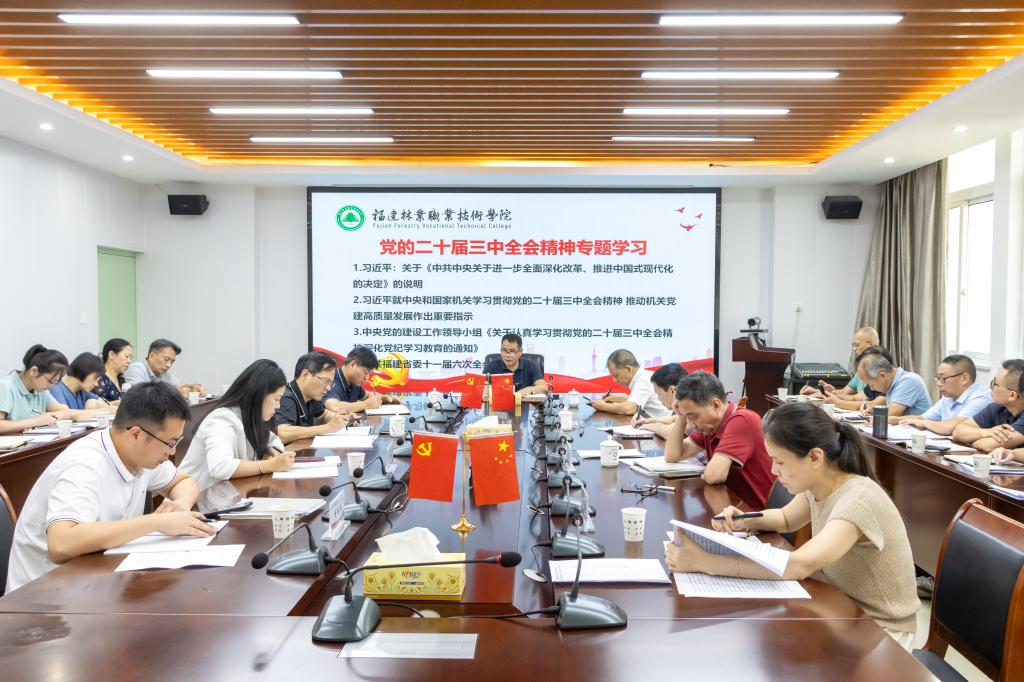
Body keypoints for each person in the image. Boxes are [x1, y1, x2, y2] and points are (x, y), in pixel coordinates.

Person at [664, 402, 919, 650]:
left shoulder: (857, 501)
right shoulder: (820, 485)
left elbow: (799, 565)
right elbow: (786, 518)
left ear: (815, 457)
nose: (774, 471)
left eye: (780, 462)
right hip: (841, 608)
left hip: (881, 631)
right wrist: (744, 518)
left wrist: (705, 563)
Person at [5, 382, 213, 592]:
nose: (171, 452)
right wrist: (156, 522)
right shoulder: (85, 465)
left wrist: (181, 504)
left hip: (97, 580)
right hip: (45, 595)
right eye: (170, 443)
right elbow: (61, 544)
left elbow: (184, 481)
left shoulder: (140, 454)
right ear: (136, 434)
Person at [663, 372, 775, 508]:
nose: (691, 425)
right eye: (687, 417)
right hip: (734, 507)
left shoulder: (742, 420)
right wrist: (681, 417)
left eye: (692, 416)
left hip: (758, 513)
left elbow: (713, 476)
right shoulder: (710, 426)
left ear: (715, 405)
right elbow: (673, 455)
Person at [179, 360, 296, 490]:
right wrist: (269, 465)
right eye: (276, 399)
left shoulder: (251, 417)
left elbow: (273, 439)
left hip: (226, 494)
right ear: (259, 394)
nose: (278, 406)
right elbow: (220, 467)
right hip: (194, 497)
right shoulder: (221, 419)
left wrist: (271, 451)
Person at [896, 354, 991, 434]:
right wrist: (891, 420)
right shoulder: (949, 397)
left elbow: (952, 427)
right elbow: (921, 418)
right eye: (938, 378)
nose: (938, 383)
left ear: (964, 379)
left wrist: (924, 423)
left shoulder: (981, 399)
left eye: (943, 378)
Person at [275, 351, 354, 445]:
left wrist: (341, 419)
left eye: (331, 383)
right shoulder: (285, 397)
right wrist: (328, 428)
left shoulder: (311, 396)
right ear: (305, 375)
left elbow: (323, 415)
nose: (328, 388)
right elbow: (283, 433)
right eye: (326, 381)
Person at [951, 359, 1024, 452]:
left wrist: (973, 440)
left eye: (994, 384)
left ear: (1012, 395)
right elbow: (958, 432)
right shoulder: (997, 407)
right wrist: (985, 432)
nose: (990, 387)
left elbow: (988, 446)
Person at [0, 345, 73, 435]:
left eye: (56, 382)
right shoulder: (5, 386)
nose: (52, 387)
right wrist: (36, 421)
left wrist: (51, 417)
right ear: (34, 371)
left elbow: (65, 412)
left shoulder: (40, 390)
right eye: (51, 381)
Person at [801, 326, 880, 399]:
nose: (854, 349)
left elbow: (857, 399)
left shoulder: (879, 368)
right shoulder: (861, 369)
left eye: (857, 345)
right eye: (853, 345)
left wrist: (826, 395)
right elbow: (845, 392)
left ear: (870, 344)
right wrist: (821, 391)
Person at [591, 349, 671, 418]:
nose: (614, 380)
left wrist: (602, 406)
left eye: (616, 375)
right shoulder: (644, 375)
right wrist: (614, 398)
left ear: (628, 369)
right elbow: (638, 399)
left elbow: (630, 409)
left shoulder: (643, 380)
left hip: (664, 425)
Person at [323, 346, 401, 414]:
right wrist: (366, 405)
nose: (366, 378)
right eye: (366, 372)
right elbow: (334, 406)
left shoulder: (353, 382)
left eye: (370, 374)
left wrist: (384, 398)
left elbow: (367, 395)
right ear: (353, 365)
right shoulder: (332, 379)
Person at [857, 350, 932, 417]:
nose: (872, 389)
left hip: (919, 428)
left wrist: (874, 410)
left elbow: (892, 413)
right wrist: (871, 409)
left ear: (882, 375)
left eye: (871, 384)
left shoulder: (909, 380)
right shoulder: (891, 384)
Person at [123, 339, 205, 398]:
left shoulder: (163, 373)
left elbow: (179, 385)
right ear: (151, 355)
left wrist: (192, 387)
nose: (169, 365)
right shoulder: (136, 369)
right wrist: (175, 394)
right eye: (166, 359)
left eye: (172, 362)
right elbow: (142, 397)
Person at [49, 352, 115, 417]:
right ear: (85, 371)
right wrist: (104, 411)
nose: (96, 384)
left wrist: (93, 402)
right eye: (95, 378)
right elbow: (65, 414)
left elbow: (107, 405)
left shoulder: (82, 391)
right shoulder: (55, 387)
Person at [632, 363, 688, 438]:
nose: (658, 398)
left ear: (672, 390)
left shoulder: (692, 407)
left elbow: (670, 433)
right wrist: (648, 421)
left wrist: (647, 426)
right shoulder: (684, 404)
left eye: (659, 394)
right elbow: (673, 419)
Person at [481, 333, 547, 395]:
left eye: (512, 351)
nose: (507, 355)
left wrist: (529, 389)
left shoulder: (530, 366)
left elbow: (544, 387)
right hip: (499, 402)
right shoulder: (491, 366)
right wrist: (485, 388)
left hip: (523, 402)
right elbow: (480, 388)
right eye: (504, 350)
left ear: (520, 352)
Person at [95, 338, 133, 404]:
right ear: (111, 354)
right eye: (126, 356)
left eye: (131, 358)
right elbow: (95, 405)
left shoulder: (121, 379)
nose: (129, 361)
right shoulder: (98, 379)